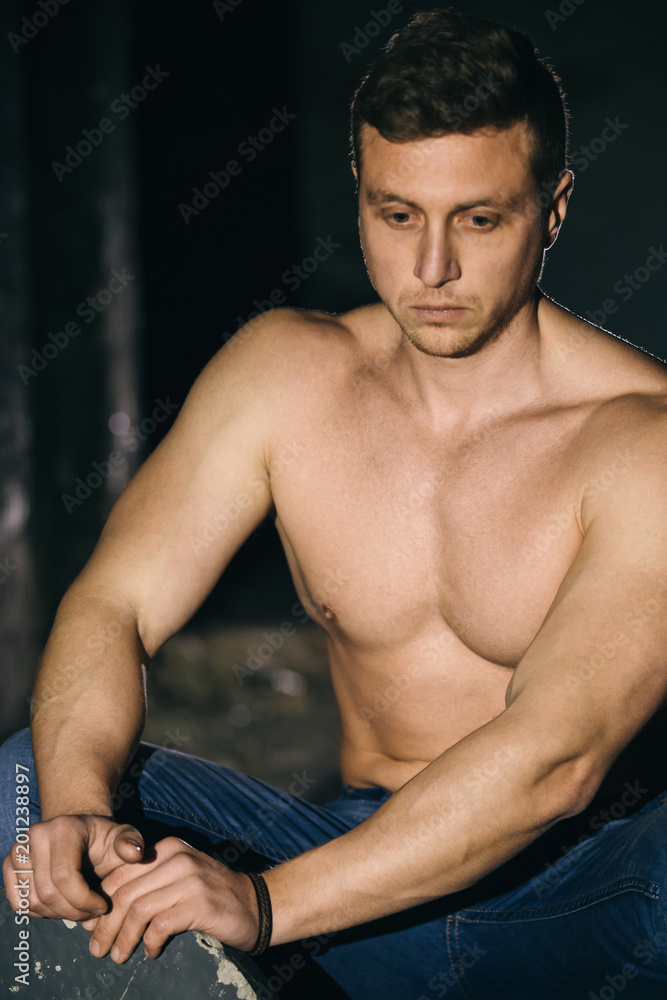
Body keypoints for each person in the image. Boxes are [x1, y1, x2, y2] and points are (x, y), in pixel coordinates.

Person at [2, 8, 667, 998]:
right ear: (360, 197)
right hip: (349, 862)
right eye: (397, 215)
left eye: (478, 220)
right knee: (20, 786)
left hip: (584, 898)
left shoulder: (641, 441)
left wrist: (263, 905)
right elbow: (116, 604)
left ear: (553, 209)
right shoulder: (286, 373)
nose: (430, 268)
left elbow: (555, 755)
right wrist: (77, 813)